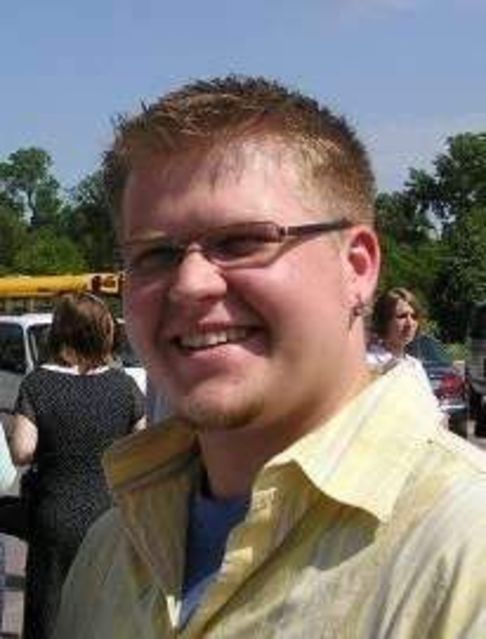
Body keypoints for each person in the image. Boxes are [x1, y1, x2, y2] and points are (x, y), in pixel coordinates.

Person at [54, 76, 486, 638]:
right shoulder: (108, 554)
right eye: (155, 254)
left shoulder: (464, 549)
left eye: (241, 241)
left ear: (357, 267)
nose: (190, 283)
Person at [9, 292, 145, 639]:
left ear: (59, 332)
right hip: (109, 513)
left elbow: (22, 451)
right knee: (103, 606)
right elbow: (142, 446)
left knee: (48, 606)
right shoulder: (124, 385)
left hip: (55, 514)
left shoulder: (38, 383)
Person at [366, 287, 431, 385]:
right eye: (402, 316)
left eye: (414, 317)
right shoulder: (368, 363)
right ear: (384, 320)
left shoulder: (415, 365)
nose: (410, 324)